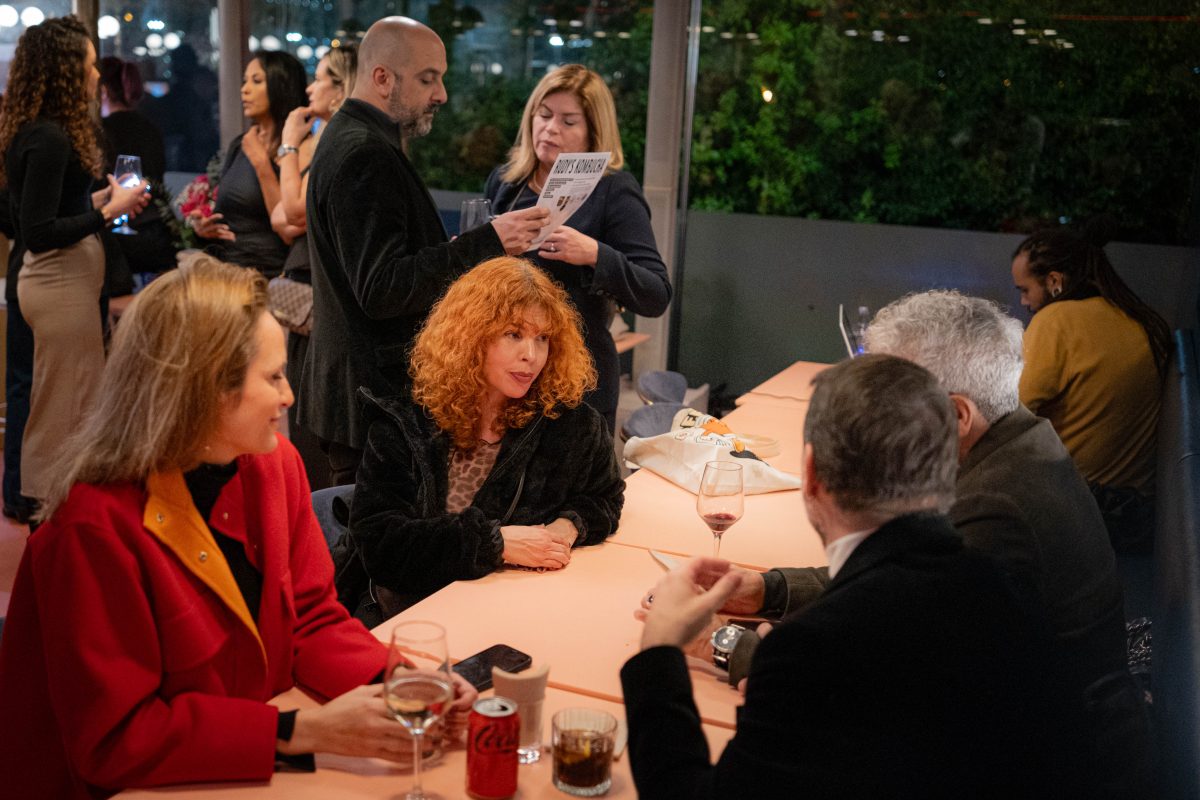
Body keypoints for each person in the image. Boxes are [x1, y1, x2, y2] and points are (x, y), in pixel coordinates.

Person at [0, 255, 476, 797]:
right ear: (202, 391)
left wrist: (402, 682)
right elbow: (115, 741)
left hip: (233, 763)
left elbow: (310, 617)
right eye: (273, 377)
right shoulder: (92, 525)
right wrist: (301, 732)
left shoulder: (273, 464)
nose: (288, 396)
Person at [624, 355, 1089, 798]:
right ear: (949, 469)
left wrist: (659, 654)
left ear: (811, 474)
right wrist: (768, 593)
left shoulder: (808, 654)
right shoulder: (1006, 585)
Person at [300, 16, 549, 485]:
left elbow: (376, 264)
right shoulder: (365, 153)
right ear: (382, 78)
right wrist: (490, 242)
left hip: (357, 394)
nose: (442, 95)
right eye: (428, 79)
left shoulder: (350, 135)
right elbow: (381, 289)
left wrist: (446, 249)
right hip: (371, 401)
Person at [338, 256, 624, 624]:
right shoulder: (405, 422)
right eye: (513, 335)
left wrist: (567, 527)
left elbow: (605, 496)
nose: (531, 355)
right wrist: (496, 544)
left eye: (542, 338)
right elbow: (380, 544)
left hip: (518, 611)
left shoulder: (569, 422)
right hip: (416, 616)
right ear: (471, 337)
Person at [0, 15, 149, 509]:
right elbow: (39, 233)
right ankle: (48, 512)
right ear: (65, 70)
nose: (96, 75)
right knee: (58, 409)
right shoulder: (50, 138)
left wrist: (104, 200)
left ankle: (58, 508)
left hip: (65, 284)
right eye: (88, 65)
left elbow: (51, 210)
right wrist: (107, 211)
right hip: (58, 284)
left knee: (67, 401)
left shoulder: (39, 132)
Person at [484, 64, 670, 431]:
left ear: (593, 132)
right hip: (504, 383)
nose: (551, 128)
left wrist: (595, 254)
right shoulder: (507, 182)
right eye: (544, 115)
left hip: (578, 390)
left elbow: (656, 294)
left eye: (568, 121)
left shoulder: (613, 191)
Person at [1012, 224, 1171, 552]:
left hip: (1078, 509)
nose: (1023, 301)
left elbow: (1008, 413)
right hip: (1131, 512)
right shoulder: (1139, 320)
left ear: (1054, 281)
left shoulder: (1056, 321)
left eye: (1025, 290)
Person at [270, 44, 357, 491]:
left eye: (320, 77)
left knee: (310, 423)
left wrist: (288, 143)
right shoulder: (324, 139)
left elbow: (291, 211)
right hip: (304, 290)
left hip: (317, 297)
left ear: (341, 89)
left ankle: (314, 518)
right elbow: (280, 219)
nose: (310, 87)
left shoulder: (334, 142)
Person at [191, 51, 307, 278]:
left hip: (269, 276)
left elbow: (288, 226)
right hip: (225, 269)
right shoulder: (240, 144)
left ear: (281, 86)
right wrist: (204, 227)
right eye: (245, 81)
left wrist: (262, 163)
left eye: (257, 81)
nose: (244, 89)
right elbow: (225, 211)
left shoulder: (298, 148)